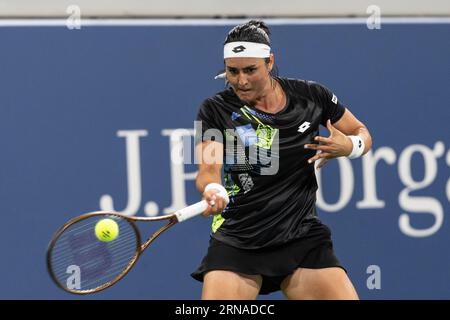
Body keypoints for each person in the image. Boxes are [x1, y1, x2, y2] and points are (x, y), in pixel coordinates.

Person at [191, 20, 372, 300]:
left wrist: (350, 145)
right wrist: (212, 189)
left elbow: (363, 134)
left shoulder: (312, 96)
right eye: (232, 71)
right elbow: (208, 169)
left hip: (300, 237)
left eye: (251, 70)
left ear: (270, 62)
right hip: (238, 241)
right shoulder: (216, 109)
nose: (241, 80)